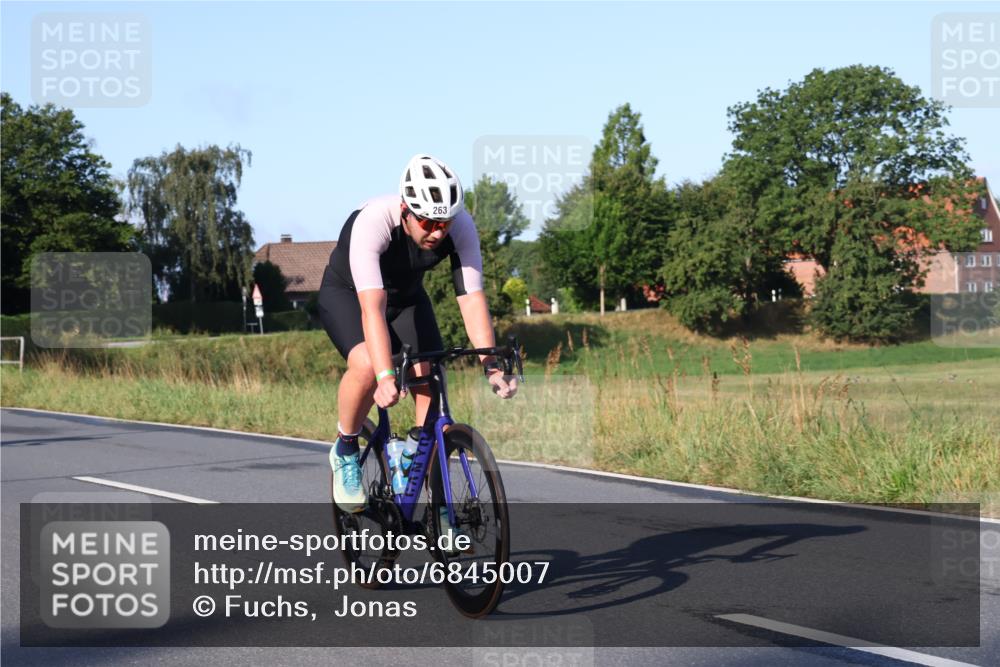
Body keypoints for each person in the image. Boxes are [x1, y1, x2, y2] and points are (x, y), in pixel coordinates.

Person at [318, 154, 518, 512]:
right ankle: (346, 448)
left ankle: (423, 478)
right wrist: (384, 375)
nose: (437, 232)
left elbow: (471, 300)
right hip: (351, 296)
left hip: (408, 299)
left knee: (430, 377)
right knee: (366, 366)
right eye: (427, 221)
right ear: (406, 210)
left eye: (445, 223)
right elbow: (372, 309)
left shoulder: (460, 228)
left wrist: (491, 364)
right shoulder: (373, 223)